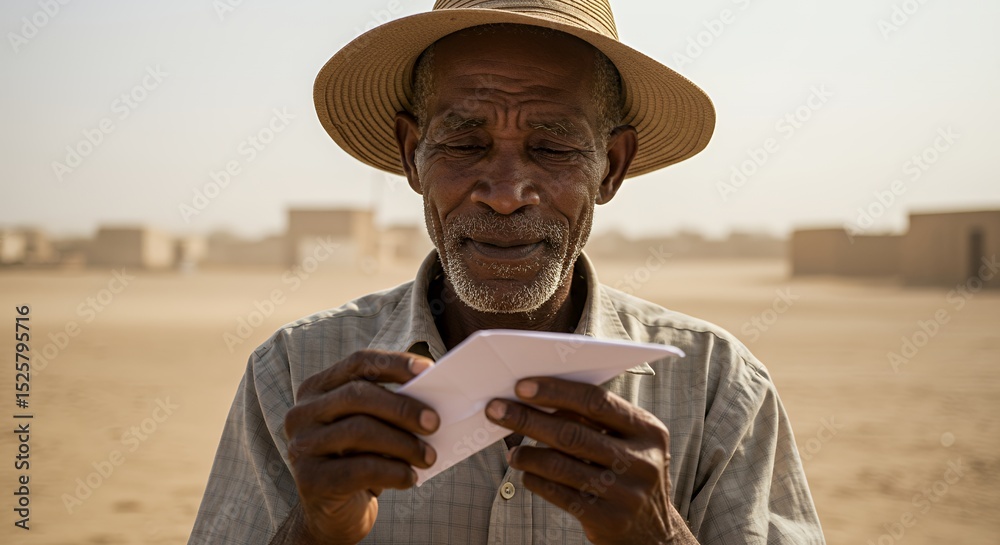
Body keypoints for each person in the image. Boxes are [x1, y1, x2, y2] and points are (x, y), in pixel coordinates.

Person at [189, 1, 825, 543]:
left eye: (552, 147)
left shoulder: (717, 386)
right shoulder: (296, 371)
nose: (505, 192)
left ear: (611, 167)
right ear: (413, 157)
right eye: (465, 144)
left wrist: (661, 535)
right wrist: (315, 528)